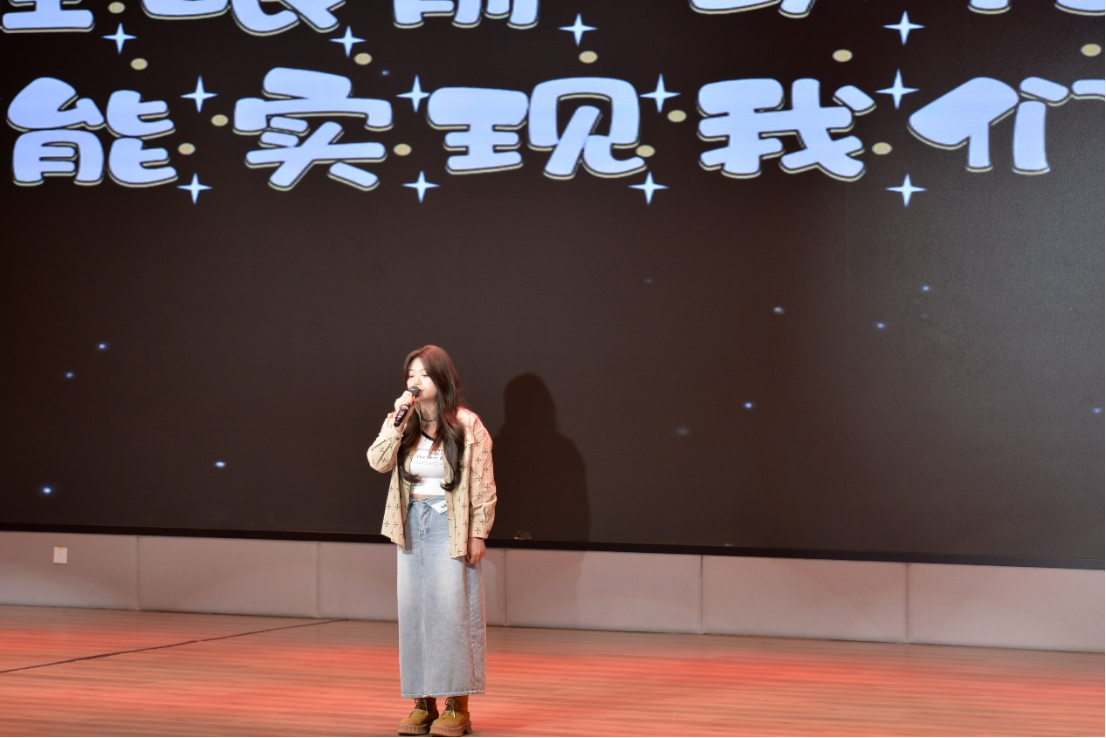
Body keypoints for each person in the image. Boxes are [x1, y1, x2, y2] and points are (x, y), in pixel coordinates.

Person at [367, 345, 496, 737]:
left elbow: (483, 484)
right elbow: (377, 461)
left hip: (449, 524)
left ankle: (457, 705)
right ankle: (422, 703)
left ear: (441, 379)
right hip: (412, 525)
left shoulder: (467, 424)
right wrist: (395, 422)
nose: (415, 381)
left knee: (453, 614)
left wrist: (478, 532)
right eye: (411, 374)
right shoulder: (403, 423)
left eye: (423, 374)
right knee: (415, 615)